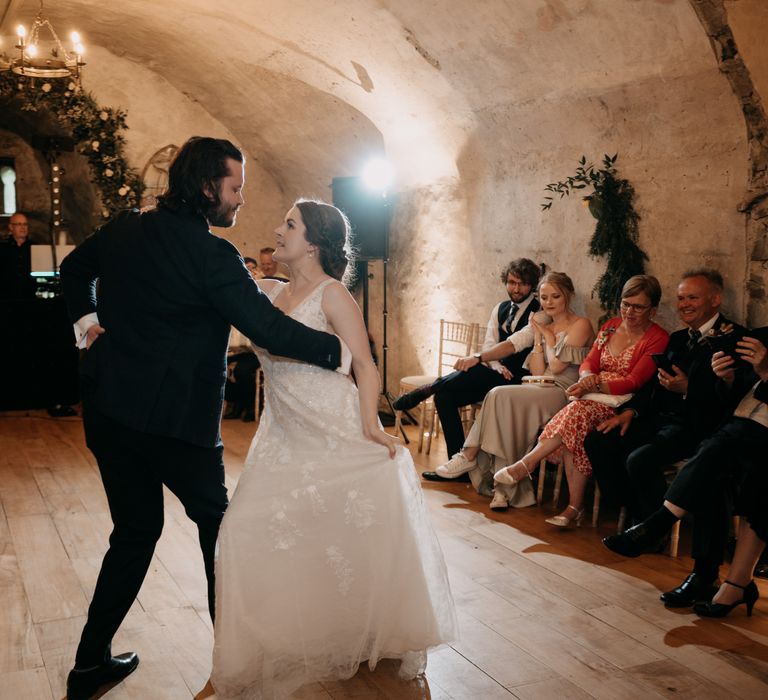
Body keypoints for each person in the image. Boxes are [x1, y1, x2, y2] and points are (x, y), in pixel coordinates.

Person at [59, 137, 351, 700]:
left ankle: (88, 666)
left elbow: (75, 270)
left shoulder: (125, 227)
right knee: (222, 533)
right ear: (205, 187)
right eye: (235, 187)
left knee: (134, 531)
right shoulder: (212, 256)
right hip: (178, 425)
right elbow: (268, 328)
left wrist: (87, 325)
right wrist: (343, 354)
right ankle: (235, 671)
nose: (239, 200)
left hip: (111, 412)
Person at [209, 200, 456, 699]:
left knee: (345, 528)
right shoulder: (269, 292)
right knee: (250, 529)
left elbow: (364, 364)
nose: (278, 231)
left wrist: (370, 426)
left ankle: (363, 629)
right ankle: (281, 635)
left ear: (314, 242)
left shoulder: (332, 294)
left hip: (332, 425)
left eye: (289, 225)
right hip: (283, 435)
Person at [604, 331, 768, 609]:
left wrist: (765, 370)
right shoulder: (762, 336)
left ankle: (660, 526)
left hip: (754, 438)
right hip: (737, 433)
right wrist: (727, 379)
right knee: (714, 465)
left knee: (716, 452)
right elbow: (733, 397)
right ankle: (717, 580)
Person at [493, 275, 669, 527]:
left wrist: (595, 383)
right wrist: (586, 377)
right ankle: (573, 507)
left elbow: (635, 381)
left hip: (620, 402)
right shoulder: (610, 326)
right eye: (625, 304)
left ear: (653, 310)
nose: (629, 311)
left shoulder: (658, 338)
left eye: (638, 306)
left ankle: (527, 464)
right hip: (592, 396)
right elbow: (590, 362)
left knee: (576, 412)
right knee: (574, 427)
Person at [585, 270, 745, 526]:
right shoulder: (679, 338)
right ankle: (633, 510)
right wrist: (630, 412)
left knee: (640, 459)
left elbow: (734, 396)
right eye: (681, 298)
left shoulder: (734, 338)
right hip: (660, 419)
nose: (684, 305)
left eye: (692, 298)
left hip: (698, 427)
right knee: (598, 440)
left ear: (715, 300)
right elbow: (652, 386)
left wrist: (689, 389)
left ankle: (652, 528)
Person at [431, 271, 594, 510]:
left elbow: (558, 368)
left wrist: (546, 334)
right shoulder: (544, 323)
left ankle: (469, 454)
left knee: (499, 394)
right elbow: (538, 370)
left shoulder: (581, 324)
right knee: (500, 400)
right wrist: (538, 337)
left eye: (555, 297)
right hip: (539, 386)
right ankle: (502, 491)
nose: (548, 302)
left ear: (568, 296)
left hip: (563, 391)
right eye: (544, 297)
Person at [399, 259, 542, 481]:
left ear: (532, 285)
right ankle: (457, 465)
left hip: (517, 380)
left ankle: (427, 389)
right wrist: (496, 364)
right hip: (495, 373)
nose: (516, 289)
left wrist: (482, 360)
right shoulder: (500, 308)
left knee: (474, 369)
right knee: (444, 396)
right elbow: (488, 344)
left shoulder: (539, 312)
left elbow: (517, 342)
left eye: (522, 284)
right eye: (512, 282)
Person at [0, 212, 35, 300]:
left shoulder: (34, 247)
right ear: (11, 227)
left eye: (25, 224)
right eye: (19, 224)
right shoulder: (2, 247)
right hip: (6, 297)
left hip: (30, 296)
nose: (23, 227)